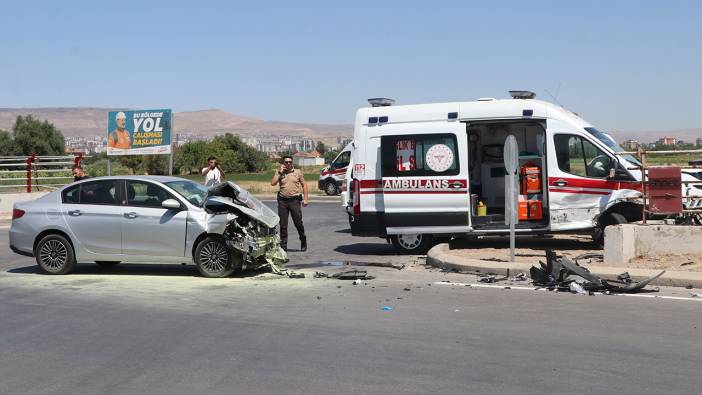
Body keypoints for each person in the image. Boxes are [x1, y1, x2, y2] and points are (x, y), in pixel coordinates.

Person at [271, 155, 308, 251]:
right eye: (286, 162)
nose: (288, 164)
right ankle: (284, 246)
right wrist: (279, 172)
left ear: (292, 163)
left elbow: (304, 185)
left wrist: (306, 199)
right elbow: (273, 183)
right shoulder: (279, 172)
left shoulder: (297, 172)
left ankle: (303, 239)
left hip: (294, 201)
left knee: (298, 223)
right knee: (283, 225)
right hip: (283, 201)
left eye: (290, 162)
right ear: (283, 163)